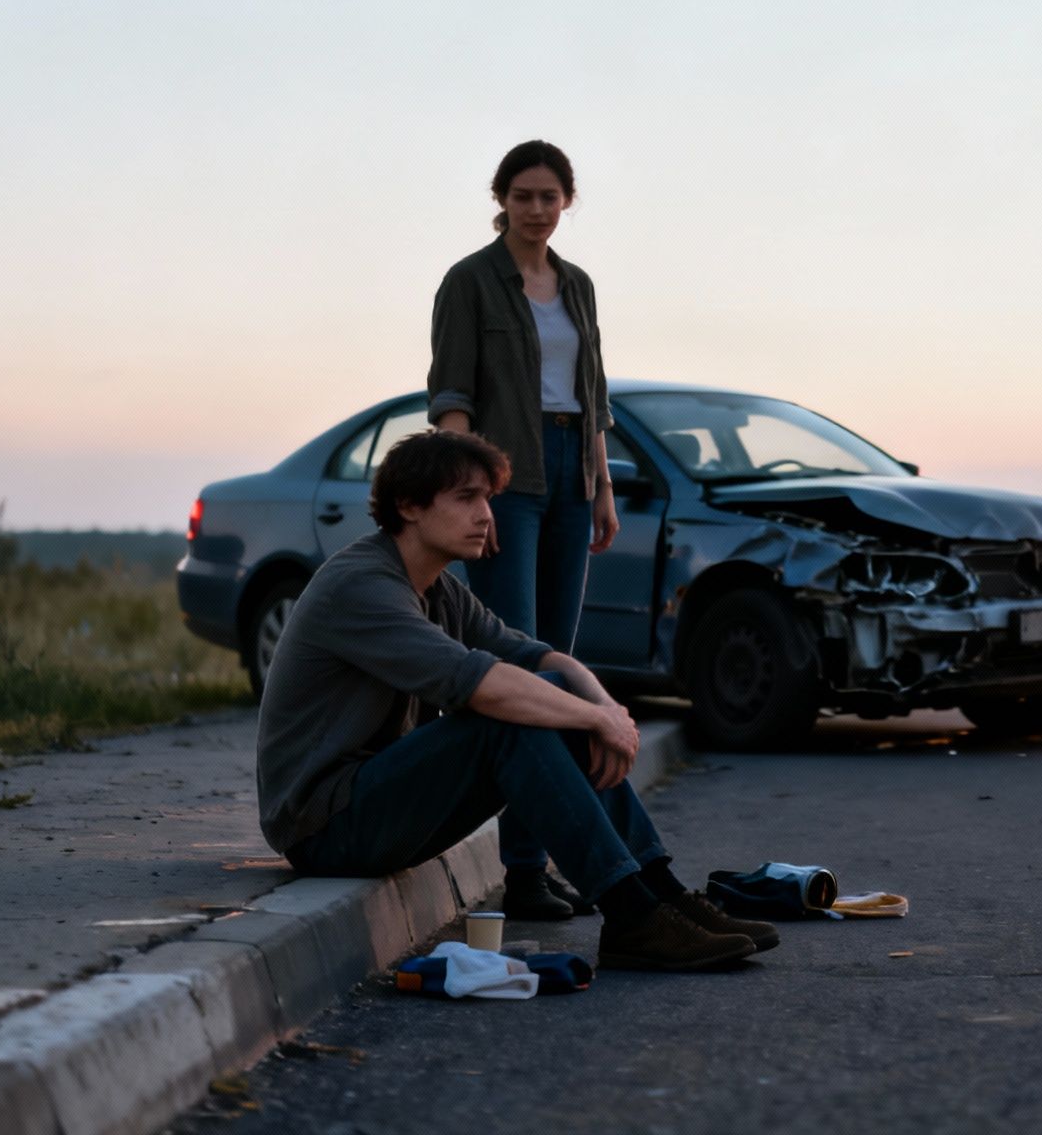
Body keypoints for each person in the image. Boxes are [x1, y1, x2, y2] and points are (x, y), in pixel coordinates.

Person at [254, 429, 778, 970]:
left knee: (545, 696)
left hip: (377, 803)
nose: (486, 514)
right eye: (466, 498)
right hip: (326, 826)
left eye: (488, 498)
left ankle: (661, 895)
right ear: (409, 506)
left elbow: (544, 660)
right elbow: (480, 683)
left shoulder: (439, 588)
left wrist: (607, 712)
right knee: (503, 719)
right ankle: (631, 916)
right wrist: (595, 719)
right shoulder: (362, 585)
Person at [428, 140, 618, 922]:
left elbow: (593, 395)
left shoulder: (576, 286)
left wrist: (601, 486)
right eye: (523, 196)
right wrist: (468, 491)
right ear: (501, 198)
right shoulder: (469, 282)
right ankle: (523, 870)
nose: (537, 209)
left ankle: (541, 861)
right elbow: (450, 395)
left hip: (573, 471)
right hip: (507, 477)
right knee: (519, 670)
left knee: (562, 670)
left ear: (568, 201)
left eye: (550, 197)